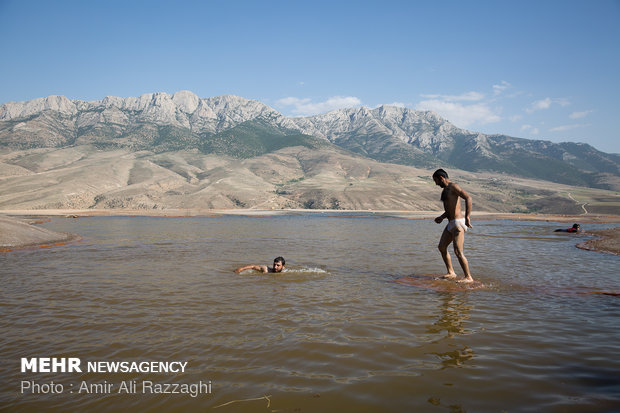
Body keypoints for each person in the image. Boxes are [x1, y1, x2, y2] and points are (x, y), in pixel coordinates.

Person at [432, 169, 474, 283]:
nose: (435, 183)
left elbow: (468, 198)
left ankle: (468, 277)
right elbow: (450, 209)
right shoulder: (445, 190)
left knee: (458, 252)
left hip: (458, 223)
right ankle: (451, 272)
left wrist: (467, 217)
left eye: (435, 180)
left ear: (441, 178)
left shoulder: (453, 186)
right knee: (441, 247)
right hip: (450, 223)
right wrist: (441, 217)